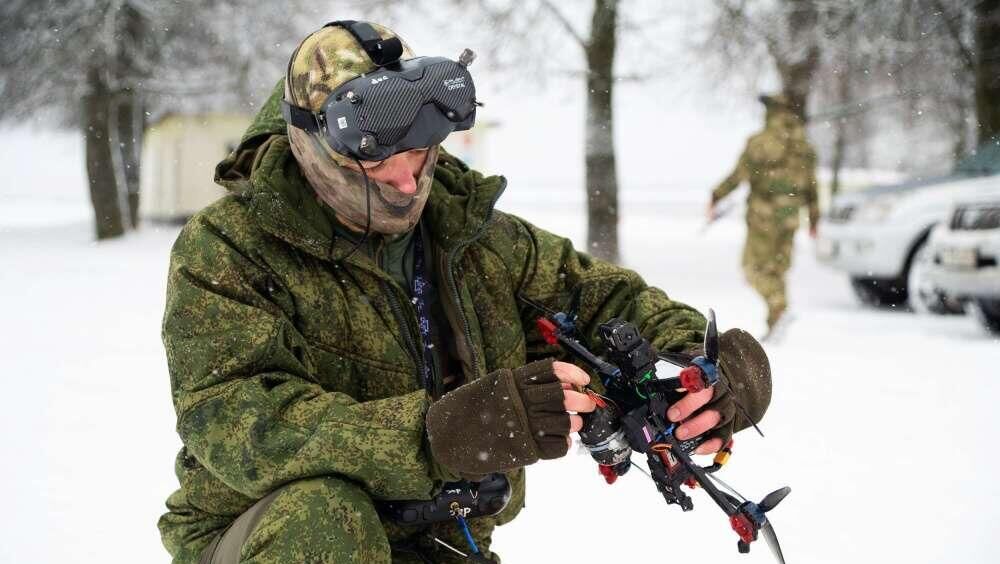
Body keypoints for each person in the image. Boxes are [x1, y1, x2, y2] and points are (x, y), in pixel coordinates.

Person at [158, 21, 773, 564]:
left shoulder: (469, 233)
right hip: (264, 535)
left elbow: (602, 297)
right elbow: (237, 423)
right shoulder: (227, 248)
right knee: (325, 517)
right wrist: (440, 434)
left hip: (440, 536)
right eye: (377, 162)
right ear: (311, 146)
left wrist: (707, 367)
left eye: (421, 149)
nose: (407, 178)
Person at [708, 94, 820, 337]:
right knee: (777, 270)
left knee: (752, 269)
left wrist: (716, 195)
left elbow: (738, 176)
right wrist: (815, 219)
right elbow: (812, 186)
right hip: (792, 215)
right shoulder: (805, 147)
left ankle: (779, 306)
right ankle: (776, 322)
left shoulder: (759, 142)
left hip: (763, 216)